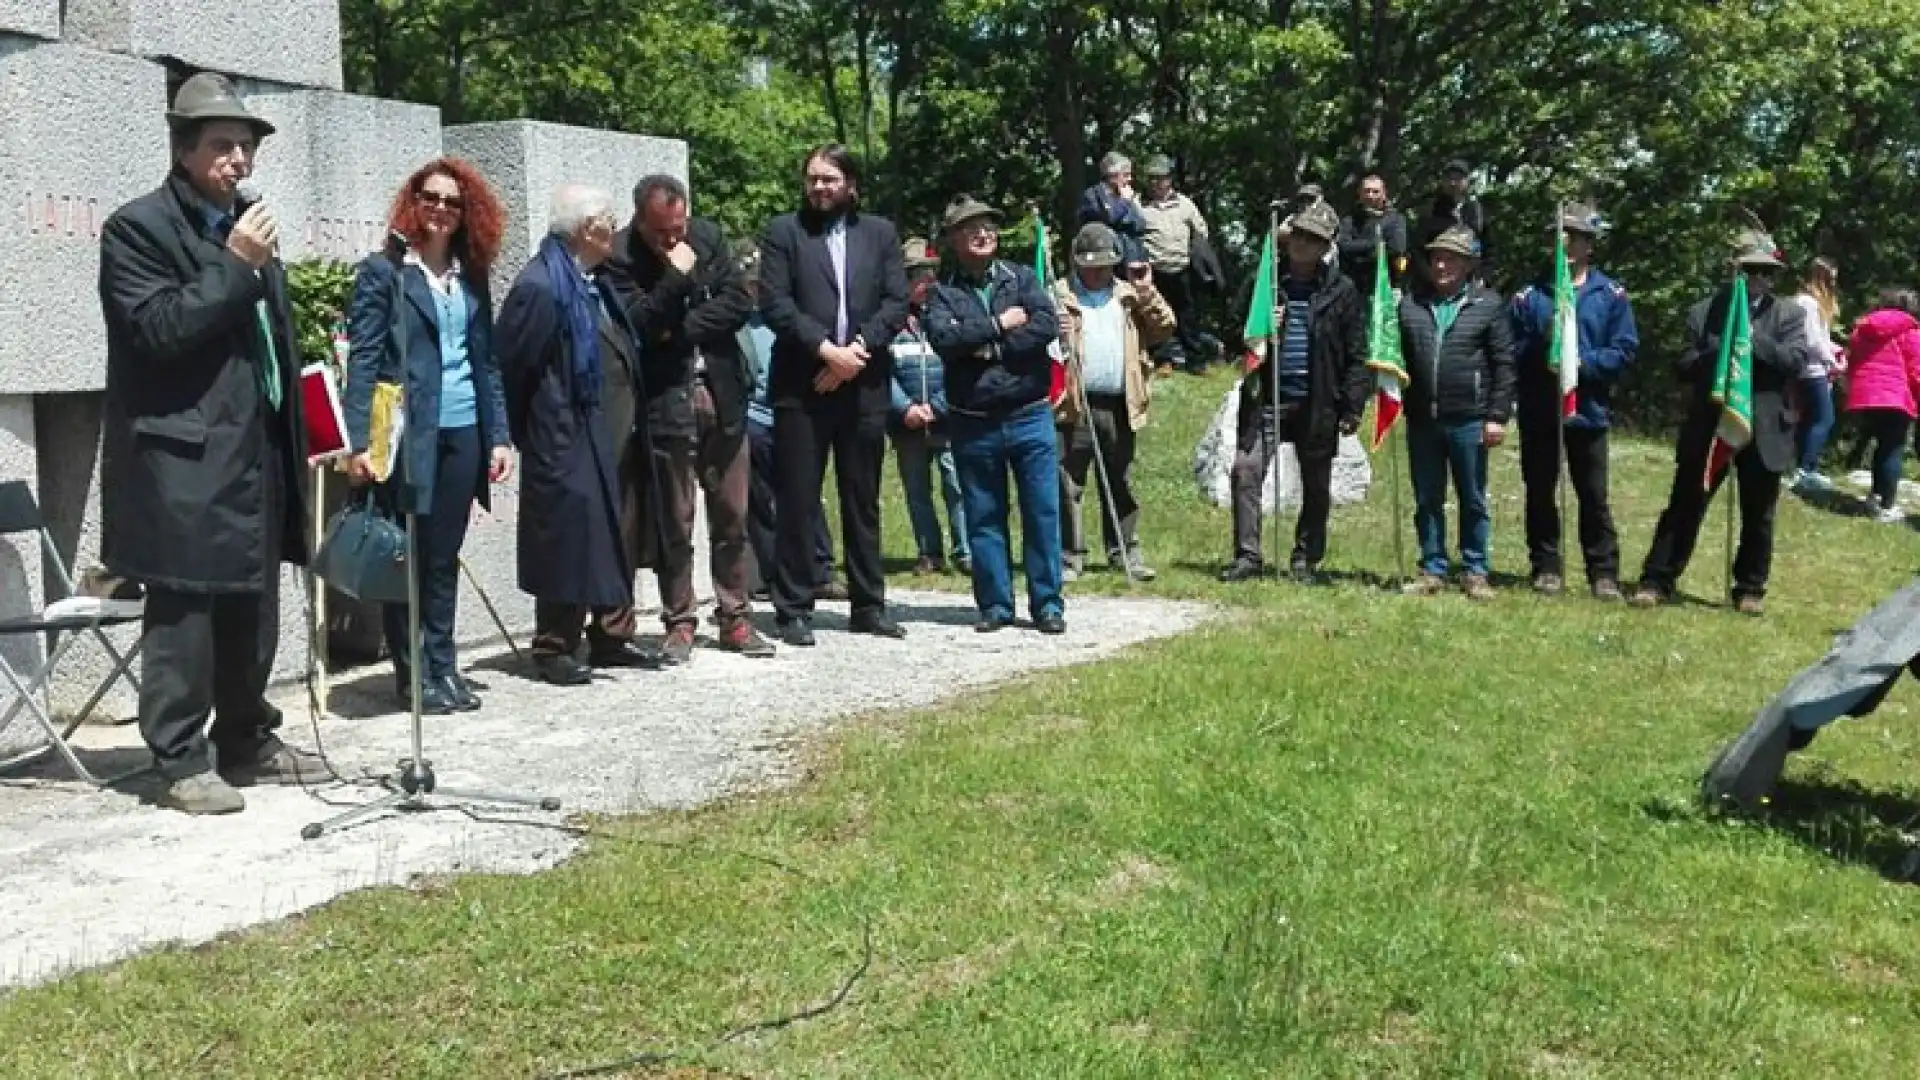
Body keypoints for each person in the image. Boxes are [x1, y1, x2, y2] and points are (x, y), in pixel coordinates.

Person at [97, 72, 323, 814]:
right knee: (187, 613)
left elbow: (267, 343)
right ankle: (179, 756)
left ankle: (246, 738)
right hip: (183, 455)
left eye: (247, 145)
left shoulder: (247, 222)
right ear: (184, 150)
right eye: (223, 145)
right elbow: (158, 329)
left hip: (254, 448)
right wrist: (234, 265)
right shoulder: (138, 229)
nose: (239, 159)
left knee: (250, 605)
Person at [343, 158, 515, 713]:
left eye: (452, 202)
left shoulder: (472, 275)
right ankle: (411, 671)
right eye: (431, 198)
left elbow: (487, 361)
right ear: (413, 203)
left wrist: (499, 435)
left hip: (464, 429)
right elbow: (364, 360)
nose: (441, 209)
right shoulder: (385, 273)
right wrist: (357, 442)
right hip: (408, 436)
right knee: (408, 557)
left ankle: (443, 664)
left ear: (468, 213)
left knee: (444, 556)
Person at [605, 175, 775, 663]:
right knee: (674, 521)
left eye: (680, 227)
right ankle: (679, 620)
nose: (676, 240)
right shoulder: (620, 257)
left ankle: (735, 617)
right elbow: (638, 324)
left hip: (720, 394)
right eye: (664, 232)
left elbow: (739, 303)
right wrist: (677, 277)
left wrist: (677, 331)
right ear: (641, 220)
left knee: (732, 515)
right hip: (666, 403)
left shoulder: (708, 236)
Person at [497, 184, 658, 682]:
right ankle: (554, 645)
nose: (616, 228)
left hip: (611, 430)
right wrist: (532, 433)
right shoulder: (541, 286)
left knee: (615, 534)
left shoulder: (596, 282)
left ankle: (611, 636)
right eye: (610, 219)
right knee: (566, 538)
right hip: (563, 434)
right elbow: (513, 369)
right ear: (588, 229)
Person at [758, 144, 911, 646]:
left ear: (851, 184)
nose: (820, 188)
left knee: (861, 496)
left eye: (829, 179)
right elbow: (777, 305)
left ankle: (869, 604)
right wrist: (826, 352)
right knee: (799, 499)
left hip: (864, 386)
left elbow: (896, 301)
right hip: (801, 387)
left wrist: (854, 355)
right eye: (812, 179)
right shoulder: (785, 233)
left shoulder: (880, 234)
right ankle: (794, 607)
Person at [1630, 229, 1810, 616]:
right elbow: (1683, 365)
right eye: (1749, 271)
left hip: (1763, 426)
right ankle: (1657, 579)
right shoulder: (1703, 311)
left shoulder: (1790, 315)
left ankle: (1750, 588)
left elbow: (1794, 362)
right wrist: (1722, 346)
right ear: (1734, 271)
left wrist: (1749, 340)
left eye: (1765, 272)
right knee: (1685, 505)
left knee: (1758, 514)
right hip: (1710, 424)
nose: (1757, 279)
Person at [924, 194, 1065, 634]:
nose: (982, 233)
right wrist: (1001, 326)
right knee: (983, 515)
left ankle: (1047, 604)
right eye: (970, 228)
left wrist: (987, 348)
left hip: (1029, 414)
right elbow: (946, 342)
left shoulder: (1022, 278)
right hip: (973, 422)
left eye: (987, 226)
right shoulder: (942, 293)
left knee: (1042, 511)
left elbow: (1045, 325)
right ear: (953, 239)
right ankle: (996, 606)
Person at [1221, 200, 1369, 584]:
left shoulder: (1343, 291)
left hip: (1318, 401)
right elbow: (1231, 332)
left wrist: (1353, 406)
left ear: (1325, 248)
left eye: (1313, 239)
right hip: (1267, 397)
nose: (1303, 244)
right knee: (1246, 471)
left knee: (1317, 484)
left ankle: (1306, 558)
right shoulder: (1265, 285)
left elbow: (1356, 354)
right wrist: (1260, 330)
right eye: (1298, 236)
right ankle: (1247, 556)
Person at [1508, 203, 1639, 600]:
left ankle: (1602, 571)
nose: (1564, 243)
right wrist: (1540, 348)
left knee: (1593, 495)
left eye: (1574, 236)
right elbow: (1509, 347)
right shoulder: (1531, 295)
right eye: (1559, 235)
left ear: (1589, 245)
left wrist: (1583, 363)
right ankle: (1546, 565)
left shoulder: (1611, 294)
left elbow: (1625, 350)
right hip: (1540, 408)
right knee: (1541, 490)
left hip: (1588, 410)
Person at [1052, 221, 1175, 583]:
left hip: (1121, 402)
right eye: (1090, 265)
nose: (1097, 272)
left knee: (1119, 479)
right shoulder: (1059, 294)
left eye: (1105, 265)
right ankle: (1069, 556)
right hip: (1075, 402)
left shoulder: (1129, 294)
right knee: (1068, 481)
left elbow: (1165, 327)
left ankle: (1124, 551)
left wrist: (1147, 292)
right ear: (1077, 264)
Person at [1399, 225, 1515, 600]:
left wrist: (1497, 415)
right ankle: (1432, 566)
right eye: (1437, 258)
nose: (1442, 265)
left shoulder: (1488, 305)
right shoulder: (1411, 305)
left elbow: (1504, 364)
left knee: (1473, 498)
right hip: (1422, 419)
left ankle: (1475, 569)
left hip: (1470, 417)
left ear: (1468, 265)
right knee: (1427, 498)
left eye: (1451, 259)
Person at [737, 239, 846, 602]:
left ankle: (819, 570)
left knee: (805, 497)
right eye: (750, 284)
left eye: (760, 283)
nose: (756, 290)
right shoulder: (736, 322)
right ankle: (770, 574)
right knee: (761, 502)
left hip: (793, 413)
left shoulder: (789, 318)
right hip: (753, 419)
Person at [888, 236, 971, 576]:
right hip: (906, 421)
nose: (925, 283)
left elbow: (960, 367)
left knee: (957, 485)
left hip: (946, 418)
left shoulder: (949, 316)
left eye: (929, 276)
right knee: (917, 490)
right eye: (916, 276)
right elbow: (882, 373)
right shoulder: (890, 322)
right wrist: (904, 408)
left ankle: (965, 552)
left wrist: (938, 406)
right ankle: (929, 552)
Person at [1840, 289, 1920, 524]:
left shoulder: (1864, 329)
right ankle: (1886, 505)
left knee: (1880, 447)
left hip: (1865, 397)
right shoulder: (1911, 332)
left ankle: (1874, 497)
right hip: (1895, 397)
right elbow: (1917, 370)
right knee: (1892, 449)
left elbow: (1852, 360)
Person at [1137, 154, 1212, 375]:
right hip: (1154, 270)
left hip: (1182, 268)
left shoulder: (1185, 204)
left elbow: (1201, 230)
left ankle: (1195, 361)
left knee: (1188, 316)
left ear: (1169, 180)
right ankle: (1163, 360)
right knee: (1158, 317)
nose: (1156, 183)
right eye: (1152, 178)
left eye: (1160, 178)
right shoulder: (1139, 206)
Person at [1788, 256, 1845, 492]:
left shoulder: (1809, 303)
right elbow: (1811, 340)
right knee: (1824, 419)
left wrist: (1834, 349)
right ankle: (1805, 469)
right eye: (1831, 279)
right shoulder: (1807, 303)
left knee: (1810, 419)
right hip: (1810, 370)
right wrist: (1832, 362)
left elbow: (1820, 338)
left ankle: (1800, 467)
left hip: (1814, 366)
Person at [1416, 160, 1492, 283]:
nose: (1453, 183)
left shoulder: (1478, 211)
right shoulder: (1430, 210)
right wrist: (1430, 277)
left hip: (1472, 282)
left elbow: (1489, 249)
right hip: (1437, 280)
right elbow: (1418, 251)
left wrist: (1483, 277)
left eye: (1458, 179)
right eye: (1449, 178)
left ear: (1467, 181)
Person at [1334, 174, 1409, 298]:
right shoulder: (1350, 220)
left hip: (1385, 288)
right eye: (1366, 191)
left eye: (1375, 191)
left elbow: (1396, 248)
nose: (1370, 195)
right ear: (1359, 193)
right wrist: (1376, 244)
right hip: (1353, 288)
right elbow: (1343, 246)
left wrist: (1359, 251)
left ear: (1384, 193)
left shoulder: (1395, 220)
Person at [1076, 151, 1149, 270]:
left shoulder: (1127, 195)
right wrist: (1125, 202)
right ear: (1112, 175)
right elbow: (1109, 219)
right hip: (1106, 262)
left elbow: (1140, 225)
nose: (1130, 179)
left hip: (1132, 261)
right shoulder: (1092, 197)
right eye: (1125, 175)